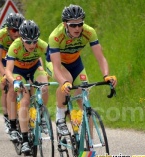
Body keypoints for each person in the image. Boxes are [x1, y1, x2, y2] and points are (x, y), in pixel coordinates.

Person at [46, 4, 117, 135]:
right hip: (56, 63)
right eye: (73, 25)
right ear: (65, 24)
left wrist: (106, 75)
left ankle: (88, 147)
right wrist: (64, 82)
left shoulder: (89, 32)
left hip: (75, 63)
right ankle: (60, 117)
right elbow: (56, 67)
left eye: (80, 24)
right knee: (67, 79)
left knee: (85, 102)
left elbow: (101, 58)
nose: (77, 28)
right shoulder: (56, 36)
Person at [5, 20, 49, 153]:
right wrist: (14, 81)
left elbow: (53, 59)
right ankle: (24, 139)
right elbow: (8, 70)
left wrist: (50, 72)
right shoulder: (15, 46)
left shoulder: (41, 45)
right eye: (28, 42)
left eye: (34, 41)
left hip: (34, 67)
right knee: (25, 99)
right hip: (19, 71)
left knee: (45, 86)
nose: (32, 44)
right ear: (21, 39)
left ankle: (41, 116)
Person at [0, 13, 25, 133]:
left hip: (17, 59)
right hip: (3, 60)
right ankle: (7, 117)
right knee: (5, 87)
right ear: (7, 30)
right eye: (13, 30)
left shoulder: (25, 36)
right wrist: (4, 75)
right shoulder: (1, 35)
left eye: (19, 30)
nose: (17, 33)